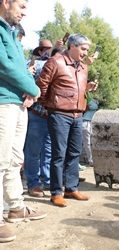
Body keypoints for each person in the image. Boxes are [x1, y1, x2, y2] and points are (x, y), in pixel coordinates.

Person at [0, 0, 47, 243]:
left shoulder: (10, 32)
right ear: (5, 2)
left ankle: (15, 207)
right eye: (21, 5)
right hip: (3, 103)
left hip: (17, 103)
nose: (25, 12)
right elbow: (5, 66)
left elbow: (18, 68)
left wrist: (27, 91)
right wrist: (33, 88)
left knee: (14, 159)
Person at [37, 34, 98, 208]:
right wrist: (50, 106)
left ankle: (71, 188)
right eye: (83, 49)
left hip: (78, 115)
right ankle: (56, 192)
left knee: (74, 153)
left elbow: (74, 88)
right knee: (59, 154)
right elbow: (42, 86)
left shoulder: (83, 68)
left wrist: (87, 88)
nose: (86, 53)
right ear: (72, 46)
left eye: (87, 49)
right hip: (59, 115)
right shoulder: (55, 62)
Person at [23, 39, 53, 197]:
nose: (48, 51)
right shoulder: (33, 65)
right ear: (40, 51)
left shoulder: (54, 64)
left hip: (50, 115)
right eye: (45, 49)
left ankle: (47, 179)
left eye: (50, 48)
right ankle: (33, 183)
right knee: (33, 151)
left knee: (47, 150)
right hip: (36, 114)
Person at [81, 98, 99, 167]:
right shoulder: (88, 99)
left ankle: (90, 159)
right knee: (87, 143)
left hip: (90, 122)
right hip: (85, 122)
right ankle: (90, 160)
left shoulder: (91, 99)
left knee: (87, 143)